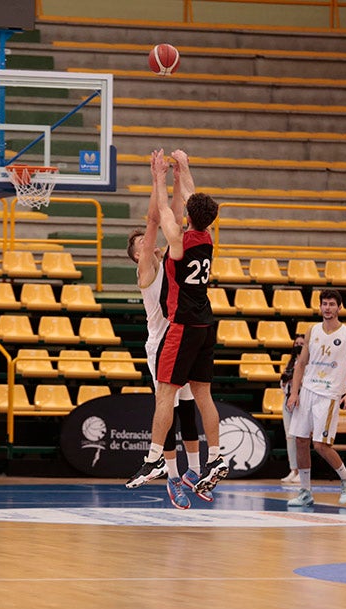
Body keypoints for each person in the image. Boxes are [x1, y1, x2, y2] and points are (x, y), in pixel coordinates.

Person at [145, 148, 227, 509]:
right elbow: (192, 200)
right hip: (204, 323)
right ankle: (213, 457)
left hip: (181, 326)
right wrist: (186, 168)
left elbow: (163, 212)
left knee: (170, 400)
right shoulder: (207, 238)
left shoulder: (177, 242)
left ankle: (160, 464)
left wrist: (160, 177)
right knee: (200, 396)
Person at [122, 217, 207, 500]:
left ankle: (193, 473)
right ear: (137, 255)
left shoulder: (170, 263)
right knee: (167, 410)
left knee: (187, 409)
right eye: (141, 243)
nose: (148, 243)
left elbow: (174, 223)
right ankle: (172, 477)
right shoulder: (145, 270)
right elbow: (157, 222)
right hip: (160, 346)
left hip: (181, 339)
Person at [286, 289, 346, 507]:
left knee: (321, 445)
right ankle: (305, 491)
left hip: (329, 394)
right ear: (319, 307)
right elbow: (301, 364)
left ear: (339, 307)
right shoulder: (312, 331)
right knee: (300, 441)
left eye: (331, 304)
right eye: (324, 304)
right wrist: (294, 392)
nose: (327, 308)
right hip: (308, 390)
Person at [279, 333, 305, 484]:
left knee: (300, 437)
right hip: (287, 400)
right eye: (296, 344)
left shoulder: (309, 363)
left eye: (302, 344)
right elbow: (282, 381)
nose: (298, 347)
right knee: (289, 436)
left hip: (301, 401)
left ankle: (302, 471)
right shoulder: (290, 363)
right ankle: (293, 469)